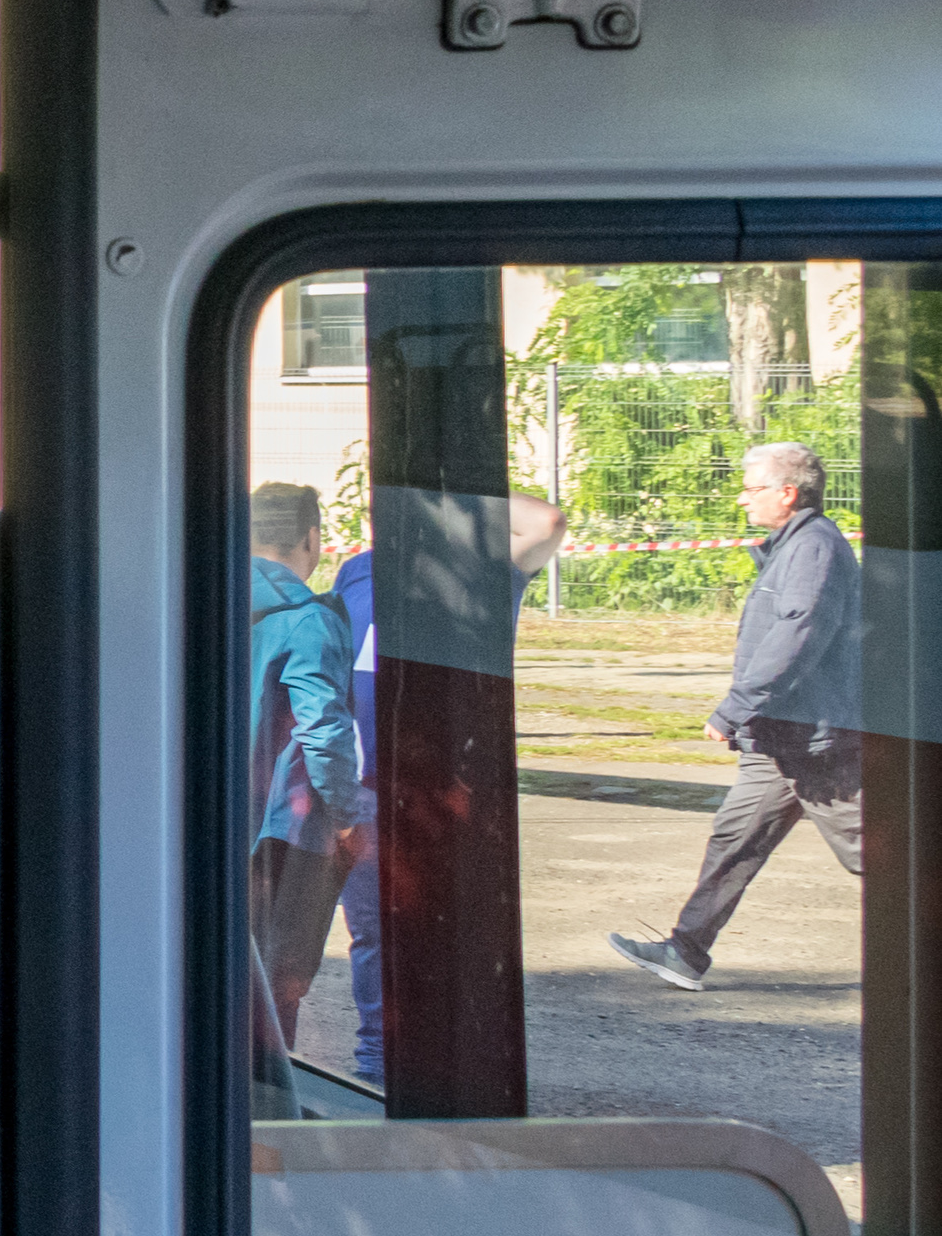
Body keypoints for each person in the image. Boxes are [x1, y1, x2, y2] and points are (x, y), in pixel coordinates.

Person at [323, 493, 564, 1087]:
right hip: (364, 786)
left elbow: (547, 522)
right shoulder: (360, 569)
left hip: (445, 788)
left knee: (444, 926)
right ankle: (378, 1064)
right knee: (374, 931)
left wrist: (450, 499)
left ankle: (447, 1063)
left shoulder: (478, 570)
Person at [612, 442, 863, 990]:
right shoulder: (793, 546)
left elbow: (797, 634)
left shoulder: (813, 548)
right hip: (781, 736)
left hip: (813, 737)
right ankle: (685, 951)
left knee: (873, 854)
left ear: (787, 493)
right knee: (734, 839)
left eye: (752, 489)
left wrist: (735, 709)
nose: (743, 499)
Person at [245, 483, 368, 1083]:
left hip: (204, 820)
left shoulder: (191, 599)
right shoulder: (310, 621)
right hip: (285, 833)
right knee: (277, 985)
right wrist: (348, 816)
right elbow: (322, 729)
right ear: (312, 539)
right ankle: (266, 1109)